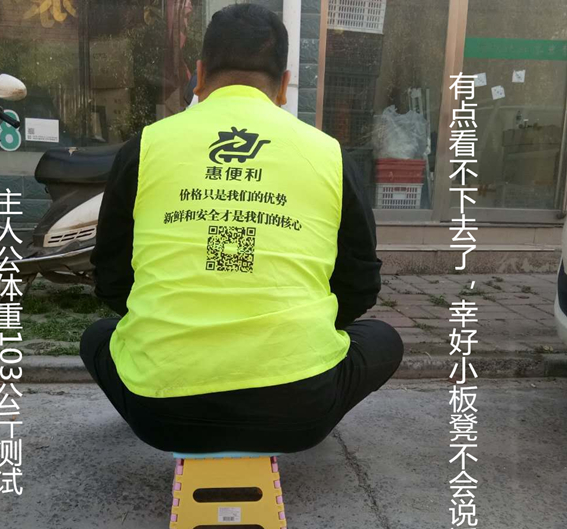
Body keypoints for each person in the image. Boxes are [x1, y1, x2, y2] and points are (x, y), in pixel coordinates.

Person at [80, 3, 403, 454]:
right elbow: (360, 283)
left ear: (199, 75)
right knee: (384, 339)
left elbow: (111, 275)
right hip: (299, 412)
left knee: (98, 336)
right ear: (284, 85)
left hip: (159, 415)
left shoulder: (145, 147)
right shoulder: (330, 155)